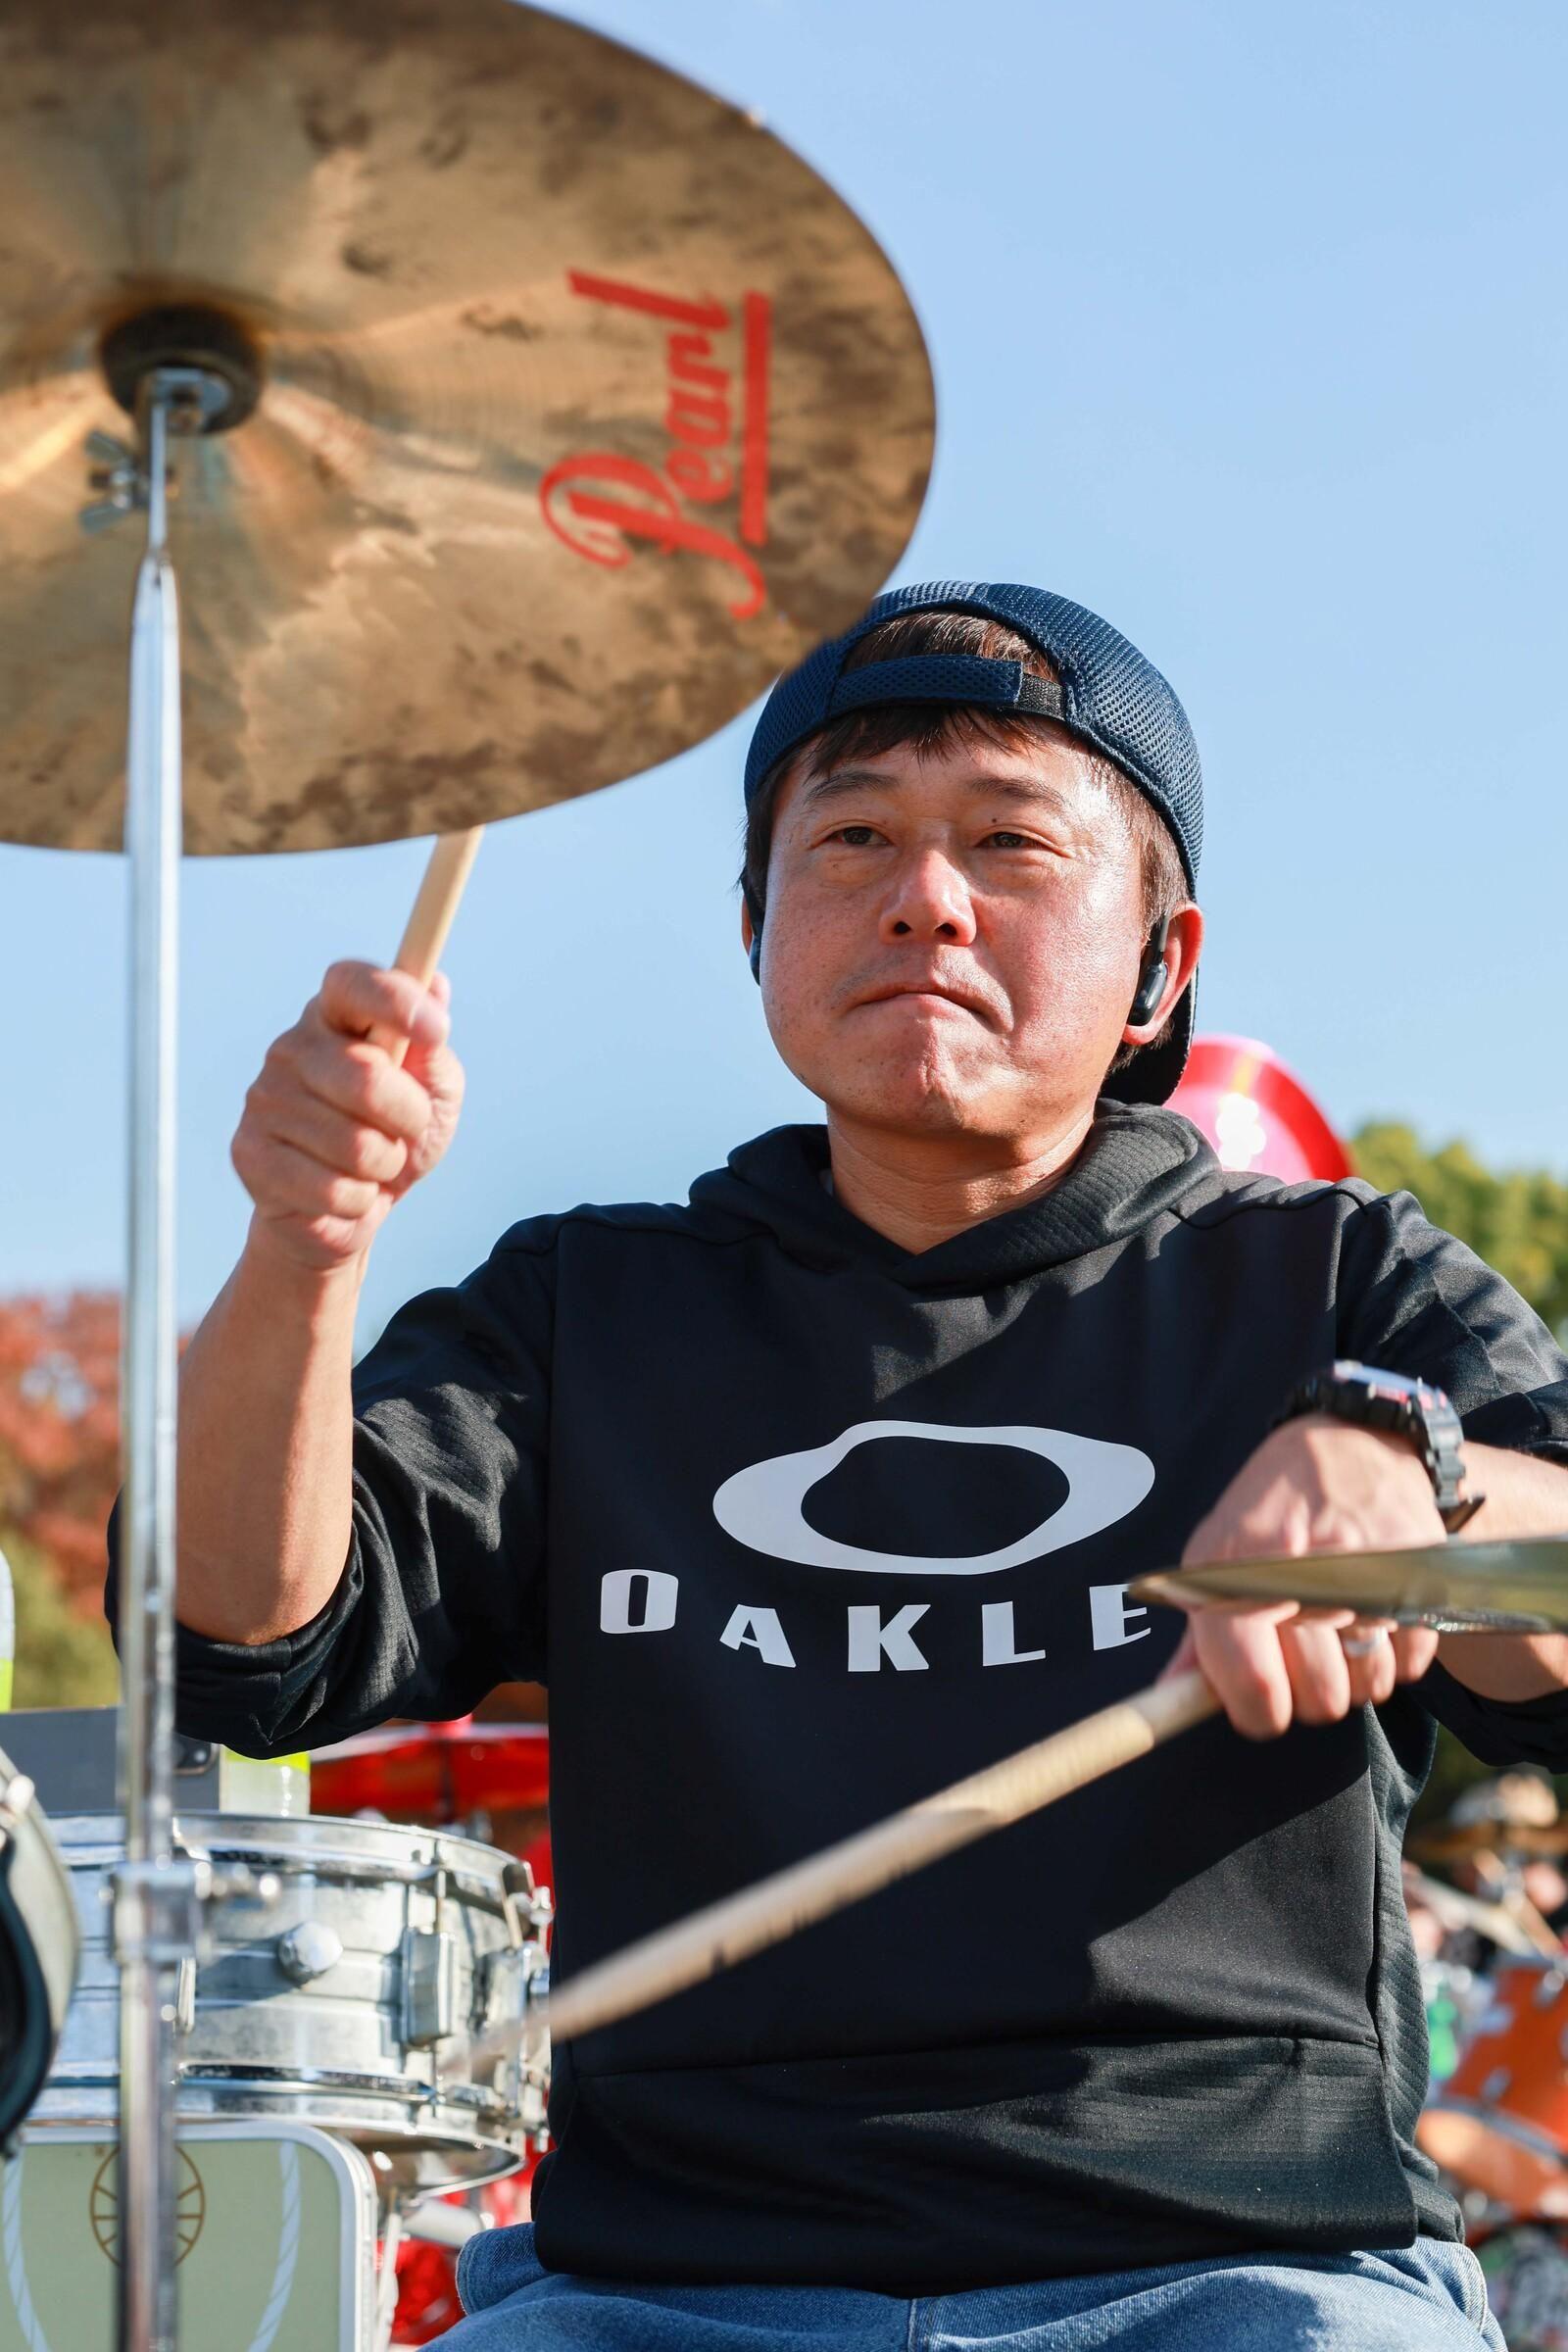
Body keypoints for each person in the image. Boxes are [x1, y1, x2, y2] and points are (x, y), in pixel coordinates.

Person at [122, 583, 1568, 2349]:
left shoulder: (1336, 1280)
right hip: (661, 2295)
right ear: (756, 926)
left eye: (1012, 841)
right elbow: (239, 1644)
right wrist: (303, 1241)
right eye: (853, 836)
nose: (925, 896)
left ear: (1160, 962)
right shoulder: (588, 1305)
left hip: (1250, 2271)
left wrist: (1429, 1492)